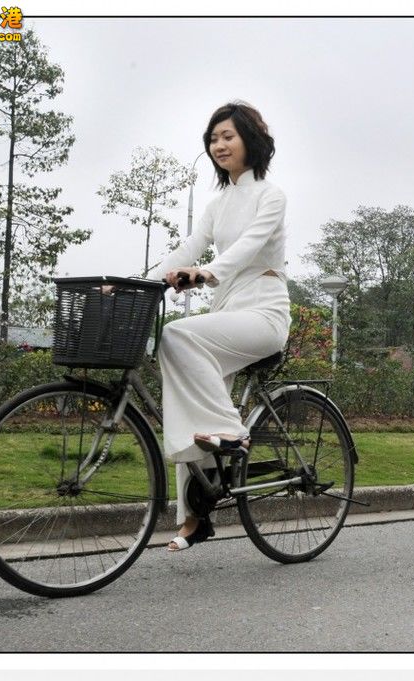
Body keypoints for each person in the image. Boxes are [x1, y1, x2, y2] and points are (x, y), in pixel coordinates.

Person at [159, 101, 291, 551]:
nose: (219, 144)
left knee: (177, 333)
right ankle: (195, 517)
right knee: (186, 396)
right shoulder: (217, 205)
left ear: (249, 142)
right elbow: (187, 247)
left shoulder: (270, 195)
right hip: (226, 312)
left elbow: (250, 246)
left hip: (263, 313)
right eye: (213, 138)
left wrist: (206, 272)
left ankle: (233, 432)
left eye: (227, 136)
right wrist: (133, 284)